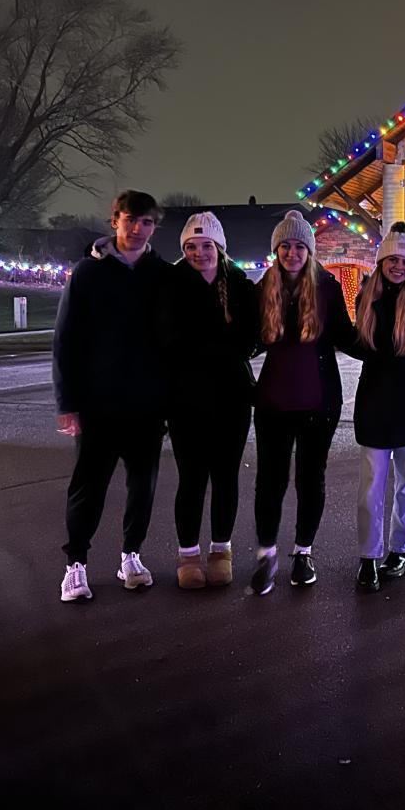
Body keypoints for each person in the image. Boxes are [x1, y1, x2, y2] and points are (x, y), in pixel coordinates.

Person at [54, 190, 173, 602]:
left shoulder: (162, 274)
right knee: (88, 487)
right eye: (130, 220)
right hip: (98, 403)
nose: (137, 229)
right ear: (115, 221)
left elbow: (173, 341)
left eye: (146, 222)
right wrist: (67, 402)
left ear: (154, 227)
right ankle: (75, 565)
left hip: (147, 405)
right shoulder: (88, 273)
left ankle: (131, 557)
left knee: (143, 486)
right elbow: (65, 341)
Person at [249, 209, 357, 596]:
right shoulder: (264, 288)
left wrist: (384, 347)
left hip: (318, 404)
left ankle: (303, 552)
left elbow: (345, 336)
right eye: (285, 246)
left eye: (299, 246)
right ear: (276, 249)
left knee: (310, 480)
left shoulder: (326, 287)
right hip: (273, 404)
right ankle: (266, 554)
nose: (292, 253)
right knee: (270, 481)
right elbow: (248, 340)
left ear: (309, 251)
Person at [159, 212, 259, 589]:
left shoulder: (239, 284)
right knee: (192, 478)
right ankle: (188, 556)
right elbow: (165, 341)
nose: (199, 253)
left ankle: (221, 551)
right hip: (184, 399)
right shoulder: (171, 283)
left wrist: (223, 351)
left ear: (219, 247)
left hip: (232, 398)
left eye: (206, 246)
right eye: (191, 246)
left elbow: (252, 337)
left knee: (226, 476)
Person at [352, 222, 405, 593]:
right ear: (382, 260)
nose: (399, 266)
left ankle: (401, 549)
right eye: (393, 259)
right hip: (374, 401)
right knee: (371, 486)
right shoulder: (366, 296)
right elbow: (358, 345)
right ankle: (368, 555)